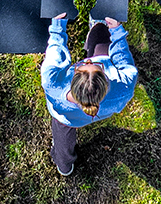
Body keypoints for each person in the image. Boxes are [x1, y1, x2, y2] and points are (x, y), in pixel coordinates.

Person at [42, 11, 137, 176]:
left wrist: (58, 28)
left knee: (62, 138)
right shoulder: (122, 87)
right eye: (94, 64)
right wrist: (117, 33)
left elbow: (55, 51)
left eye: (84, 64)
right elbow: (123, 61)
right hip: (102, 112)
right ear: (106, 79)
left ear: (73, 78)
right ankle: (99, 24)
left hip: (66, 118)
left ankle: (64, 166)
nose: (88, 60)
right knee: (102, 35)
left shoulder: (52, 83)